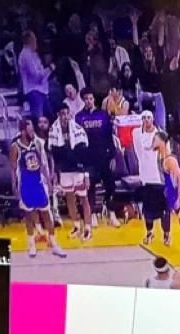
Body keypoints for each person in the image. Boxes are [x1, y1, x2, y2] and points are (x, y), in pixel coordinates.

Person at [10, 117, 66, 258]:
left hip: (38, 184)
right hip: (25, 185)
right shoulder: (15, 147)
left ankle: (54, 244)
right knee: (29, 216)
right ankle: (31, 245)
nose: (33, 133)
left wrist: (49, 181)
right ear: (23, 131)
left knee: (47, 215)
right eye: (30, 130)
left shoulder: (36, 143)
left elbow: (41, 164)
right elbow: (13, 169)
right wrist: (14, 186)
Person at [48, 104, 93, 242]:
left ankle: (88, 229)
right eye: (62, 113)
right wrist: (55, 173)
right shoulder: (53, 131)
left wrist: (86, 175)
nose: (65, 116)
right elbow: (53, 156)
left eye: (67, 113)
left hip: (79, 170)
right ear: (58, 115)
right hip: (64, 171)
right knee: (69, 199)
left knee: (83, 198)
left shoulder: (78, 130)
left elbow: (86, 155)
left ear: (70, 114)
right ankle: (76, 226)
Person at [76, 89, 118, 226]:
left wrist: (113, 156)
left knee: (110, 185)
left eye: (90, 98)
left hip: (104, 156)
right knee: (91, 186)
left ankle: (111, 213)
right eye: (86, 99)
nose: (88, 101)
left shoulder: (103, 115)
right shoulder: (79, 117)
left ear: (94, 99)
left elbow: (109, 137)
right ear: (83, 100)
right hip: (88, 157)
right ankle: (92, 214)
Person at [133, 110, 169, 245]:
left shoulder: (161, 135)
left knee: (164, 209)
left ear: (153, 119)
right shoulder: (137, 134)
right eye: (144, 118)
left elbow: (167, 156)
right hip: (145, 178)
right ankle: (149, 233)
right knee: (147, 209)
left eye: (148, 118)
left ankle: (166, 234)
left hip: (159, 178)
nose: (146, 120)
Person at [19, 30, 53, 122]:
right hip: (34, 91)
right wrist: (49, 69)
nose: (36, 40)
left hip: (42, 91)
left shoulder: (34, 54)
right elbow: (36, 76)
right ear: (29, 40)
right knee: (39, 119)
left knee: (50, 117)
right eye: (34, 38)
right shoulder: (26, 55)